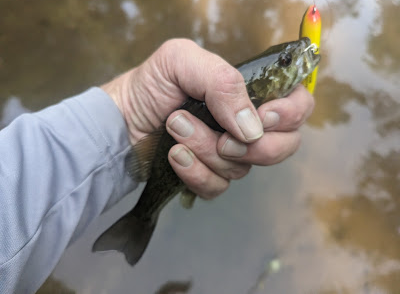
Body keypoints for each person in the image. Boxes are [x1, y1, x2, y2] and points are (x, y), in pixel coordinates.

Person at [0, 39, 314, 293]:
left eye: (285, 61)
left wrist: (125, 109)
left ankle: (141, 218)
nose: (295, 58)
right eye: (285, 61)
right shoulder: (248, 93)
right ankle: (142, 218)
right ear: (264, 83)